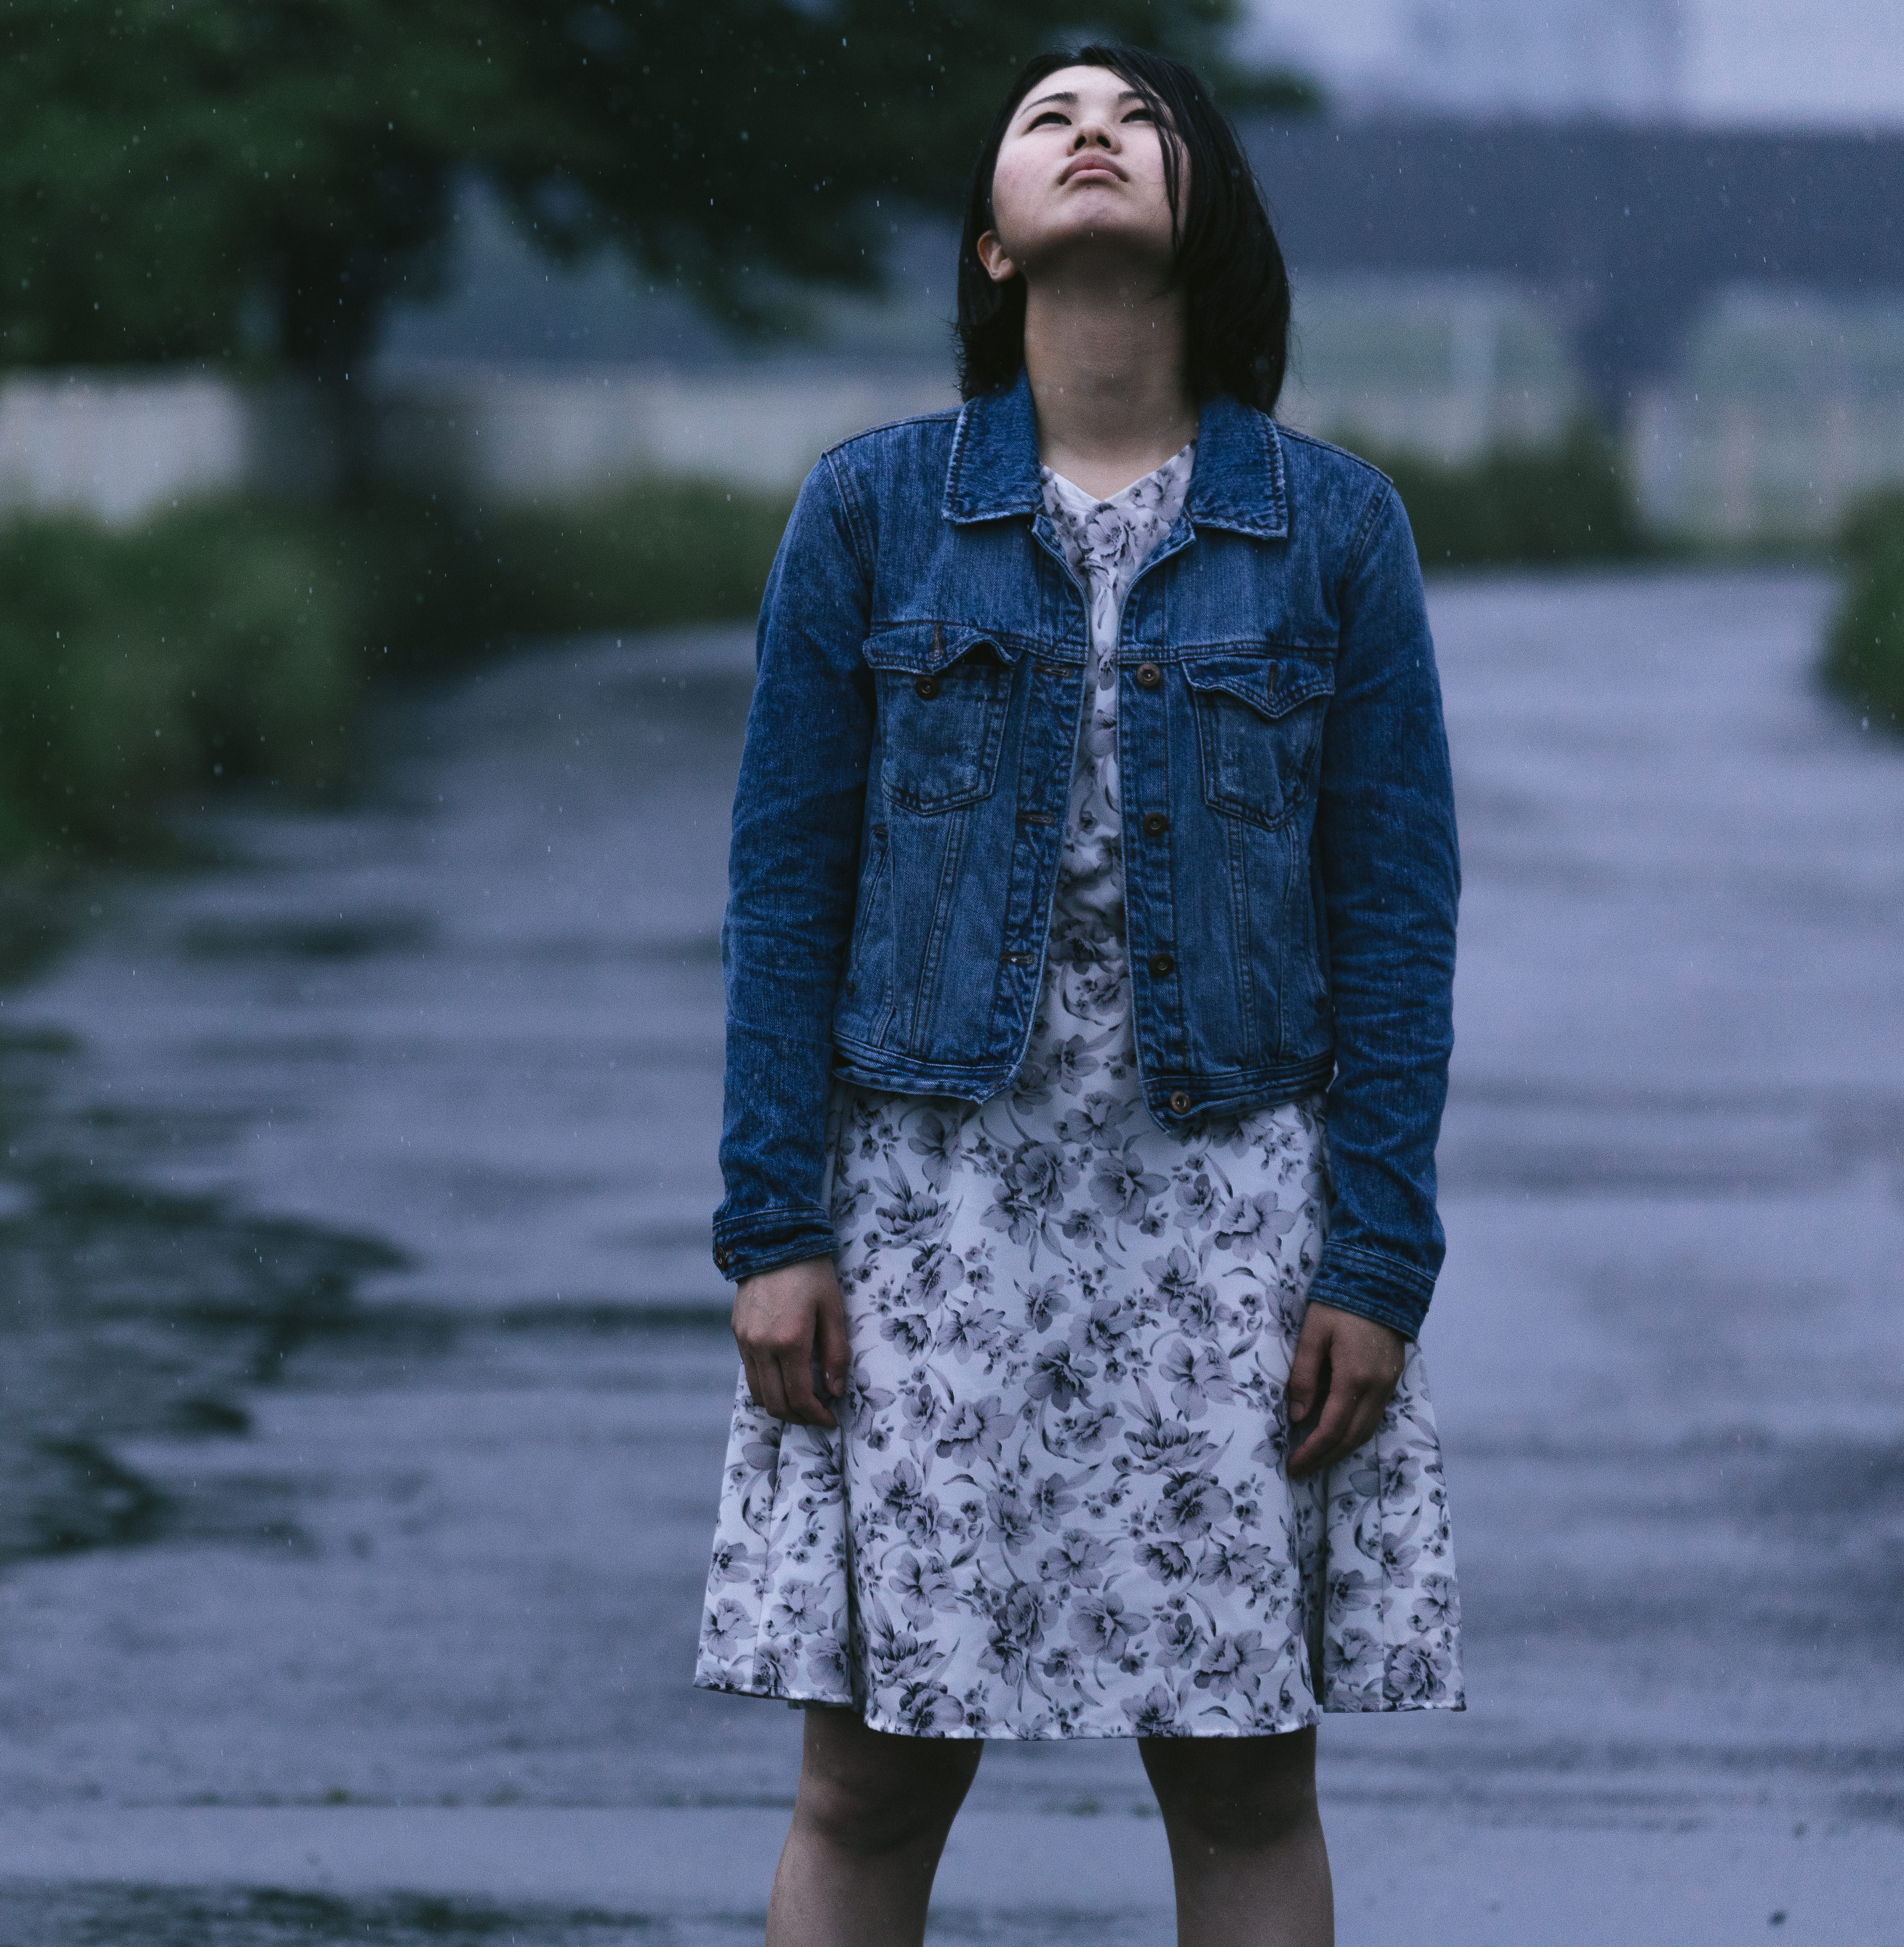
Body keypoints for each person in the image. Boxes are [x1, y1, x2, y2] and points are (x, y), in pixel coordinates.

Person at [696, 43, 1462, 1947]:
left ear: (1204, 213)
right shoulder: (872, 512)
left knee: (1237, 1768)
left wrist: (1373, 1264)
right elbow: (786, 885)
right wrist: (772, 1223)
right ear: (989, 243)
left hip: (1227, 1219)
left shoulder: (1332, 526)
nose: (1093, 131)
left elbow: (1397, 911)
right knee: (869, 1771)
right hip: (931, 1214)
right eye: (1047, 118)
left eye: (1137, 117)